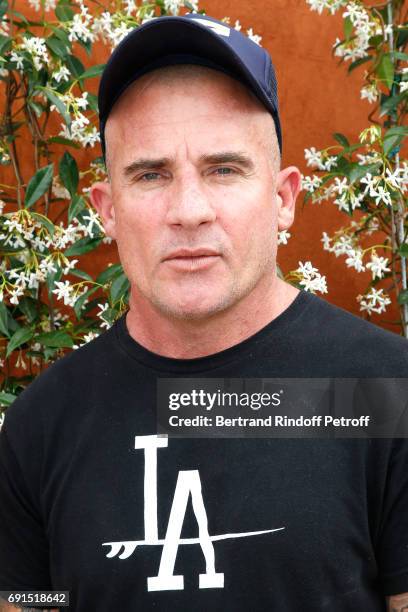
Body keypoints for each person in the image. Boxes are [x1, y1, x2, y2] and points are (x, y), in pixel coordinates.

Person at [1, 13, 408, 612]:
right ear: (106, 210)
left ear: (283, 198)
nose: (189, 210)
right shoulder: (41, 428)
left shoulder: (381, 394)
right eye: (151, 174)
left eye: (223, 169)